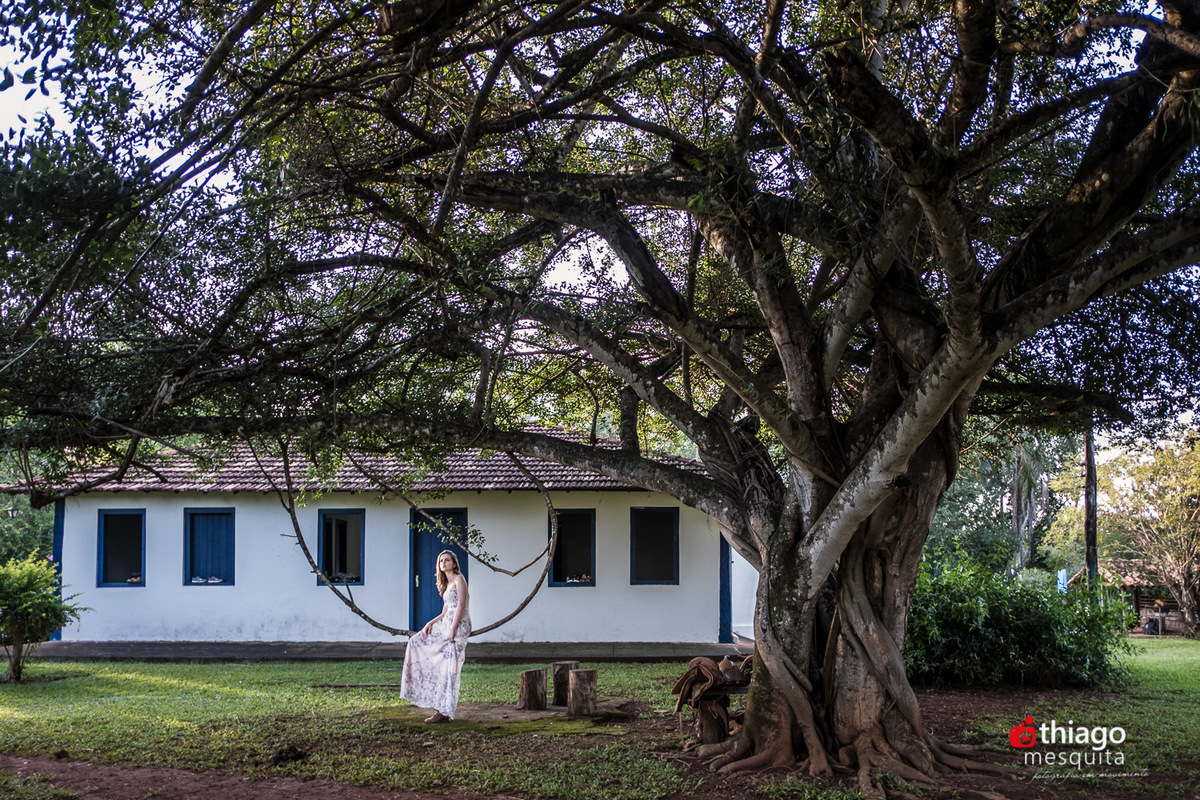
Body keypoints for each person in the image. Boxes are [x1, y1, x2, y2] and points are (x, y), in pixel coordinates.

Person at [400, 550, 471, 722]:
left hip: (459, 624)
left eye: (447, 560)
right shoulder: (447, 584)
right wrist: (430, 623)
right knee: (415, 642)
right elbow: (445, 611)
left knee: (449, 665)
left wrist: (453, 629)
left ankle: (444, 712)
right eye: (441, 561)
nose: (443, 563)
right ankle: (438, 704)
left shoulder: (459, 579)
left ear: (454, 563)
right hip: (446, 622)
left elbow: (461, 605)